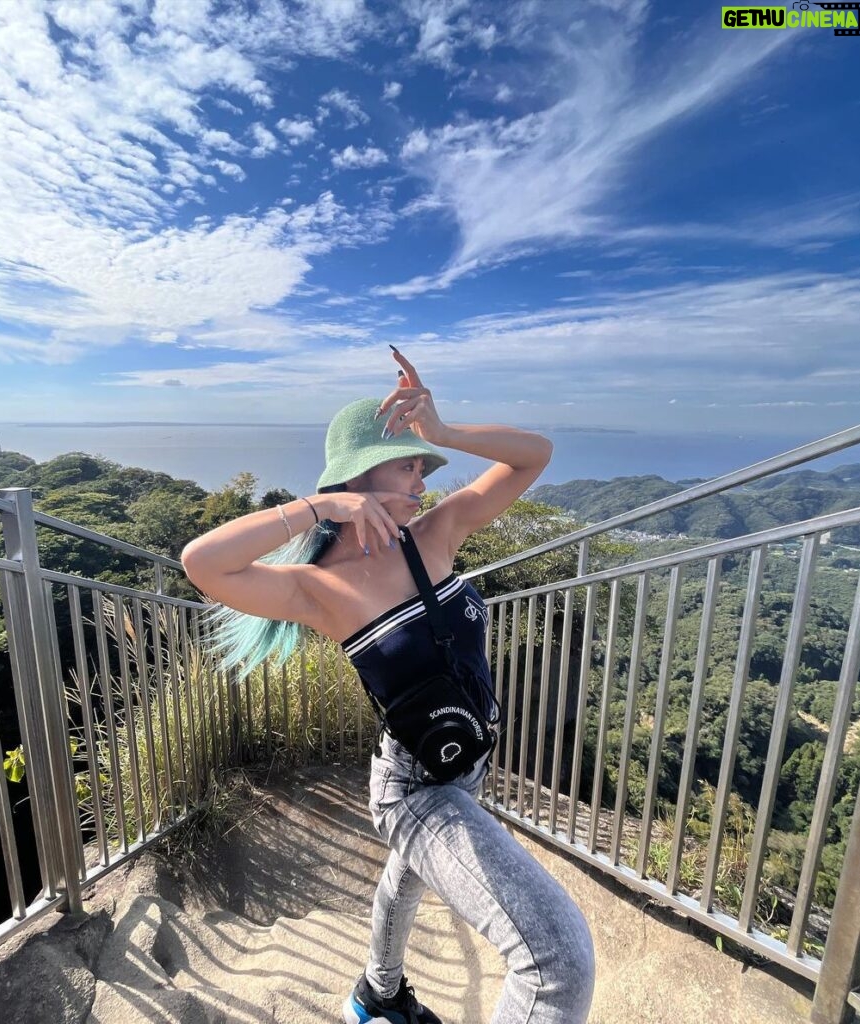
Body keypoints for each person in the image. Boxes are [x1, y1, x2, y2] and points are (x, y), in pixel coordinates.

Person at [180, 349, 595, 1024]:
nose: (424, 481)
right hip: (413, 789)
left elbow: (534, 455)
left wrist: (444, 432)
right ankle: (378, 995)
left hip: (466, 765)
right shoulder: (318, 589)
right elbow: (202, 563)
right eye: (409, 464)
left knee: (406, 883)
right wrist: (320, 505)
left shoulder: (433, 537)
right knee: (557, 961)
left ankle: (376, 995)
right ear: (360, 474)